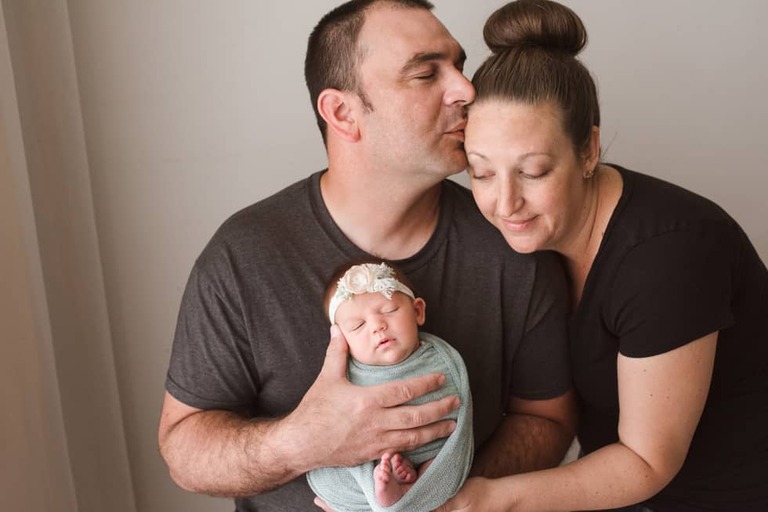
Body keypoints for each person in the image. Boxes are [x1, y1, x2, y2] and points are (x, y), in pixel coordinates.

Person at [158, 1, 577, 510]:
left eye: (460, 66)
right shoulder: (245, 254)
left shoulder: (513, 242)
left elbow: (548, 419)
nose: (467, 90)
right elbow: (184, 447)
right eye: (426, 73)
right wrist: (302, 441)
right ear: (342, 113)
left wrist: (438, 499)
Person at [438, 1, 768, 511]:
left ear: (589, 150)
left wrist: (483, 502)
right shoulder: (536, 237)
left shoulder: (667, 255)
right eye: (481, 172)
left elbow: (645, 460)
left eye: (534, 171)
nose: (504, 204)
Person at [306, 260, 473, 511]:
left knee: (438, 462)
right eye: (358, 326)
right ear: (341, 339)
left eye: (389, 310)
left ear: (418, 311)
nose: (377, 326)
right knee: (349, 458)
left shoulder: (443, 358)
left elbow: (461, 417)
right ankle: (385, 490)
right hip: (370, 458)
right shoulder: (342, 375)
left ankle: (410, 490)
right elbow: (328, 425)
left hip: (433, 454)